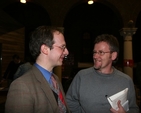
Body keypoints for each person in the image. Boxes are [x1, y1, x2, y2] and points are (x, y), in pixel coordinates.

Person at [66, 34, 139, 113]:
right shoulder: (82, 76)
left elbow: (134, 109)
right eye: (94, 52)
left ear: (113, 55)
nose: (95, 56)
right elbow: (70, 101)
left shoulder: (126, 81)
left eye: (101, 52)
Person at [5, 26, 70, 113]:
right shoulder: (21, 86)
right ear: (45, 49)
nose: (66, 52)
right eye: (62, 47)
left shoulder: (55, 79)